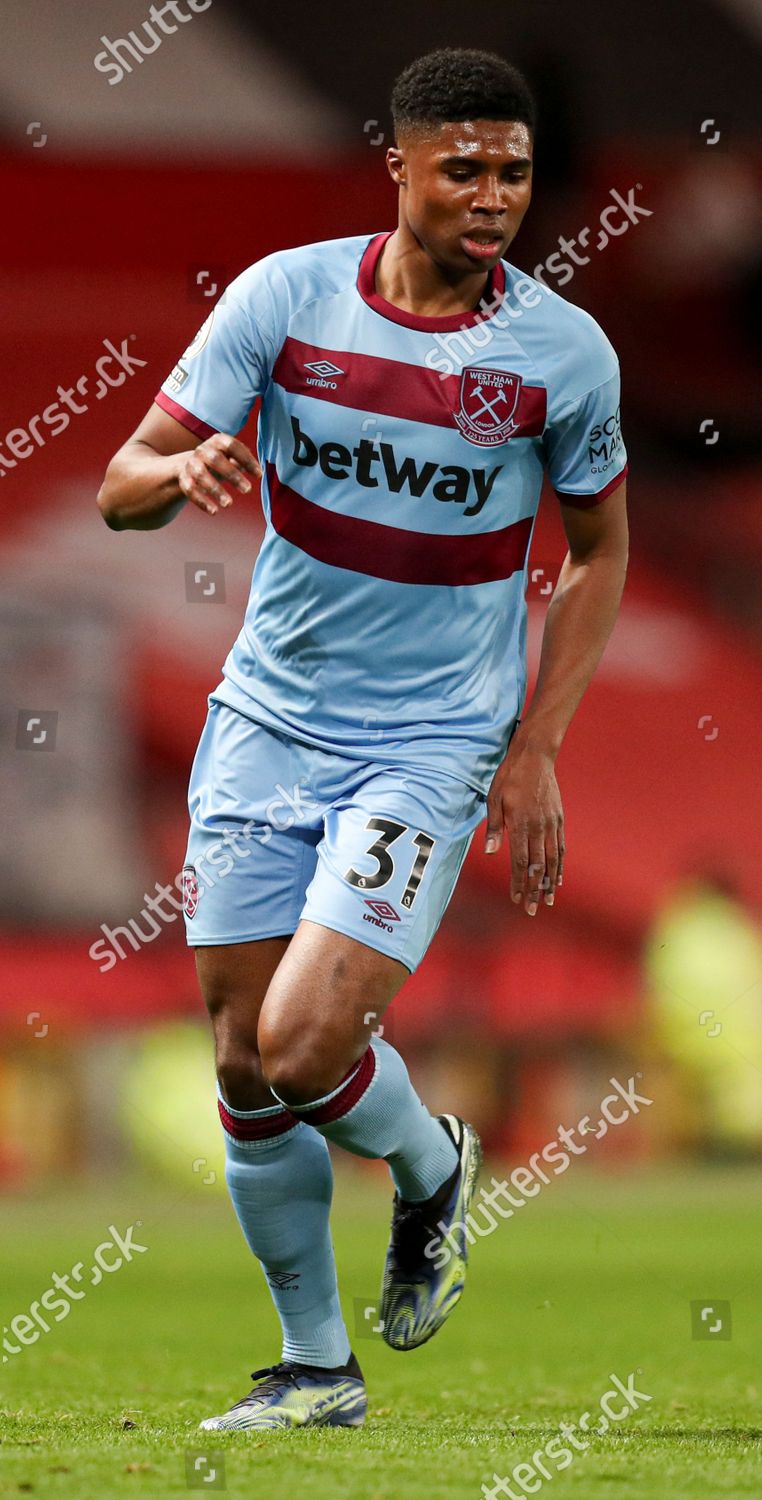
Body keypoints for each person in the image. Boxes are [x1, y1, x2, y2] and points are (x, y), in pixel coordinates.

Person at [96, 47, 628, 1431]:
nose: (494, 193)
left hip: (431, 743)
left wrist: (537, 744)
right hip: (268, 721)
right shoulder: (285, 297)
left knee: (304, 1041)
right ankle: (317, 1370)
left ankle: (432, 1169)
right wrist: (185, 471)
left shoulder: (560, 354)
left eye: (513, 170)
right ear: (395, 164)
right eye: (464, 166)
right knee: (237, 1057)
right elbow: (121, 486)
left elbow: (601, 552)